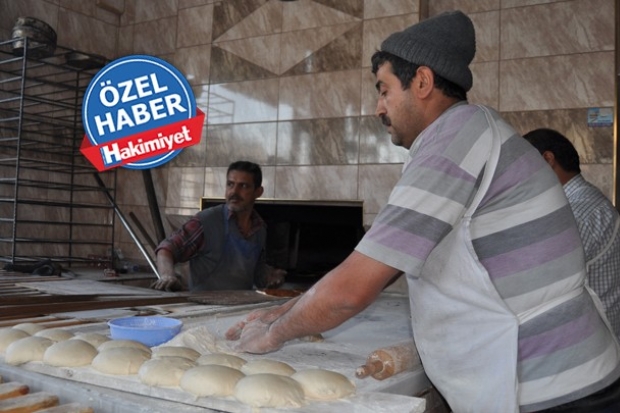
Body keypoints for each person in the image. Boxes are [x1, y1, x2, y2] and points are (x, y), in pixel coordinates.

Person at [225, 11, 620, 413]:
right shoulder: (472, 132)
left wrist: (273, 334)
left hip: (555, 390)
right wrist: (283, 310)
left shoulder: (454, 141)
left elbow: (351, 290)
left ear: (423, 82)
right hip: (567, 378)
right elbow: (382, 257)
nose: (379, 108)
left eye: (384, 91)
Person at [524, 128, 620, 339]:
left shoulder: (574, 214)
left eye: (523, 167)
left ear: (548, 159)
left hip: (587, 342)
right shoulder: (586, 204)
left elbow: (538, 284)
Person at [151, 161, 286, 292]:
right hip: (203, 304)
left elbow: (257, 276)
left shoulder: (260, 229)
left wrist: (270, 276)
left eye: (243, 186)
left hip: (241, 303)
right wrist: (167, 275)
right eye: (230, 184)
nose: (234, 192)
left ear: (258, 192)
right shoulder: (206, 221)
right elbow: (166, 249)